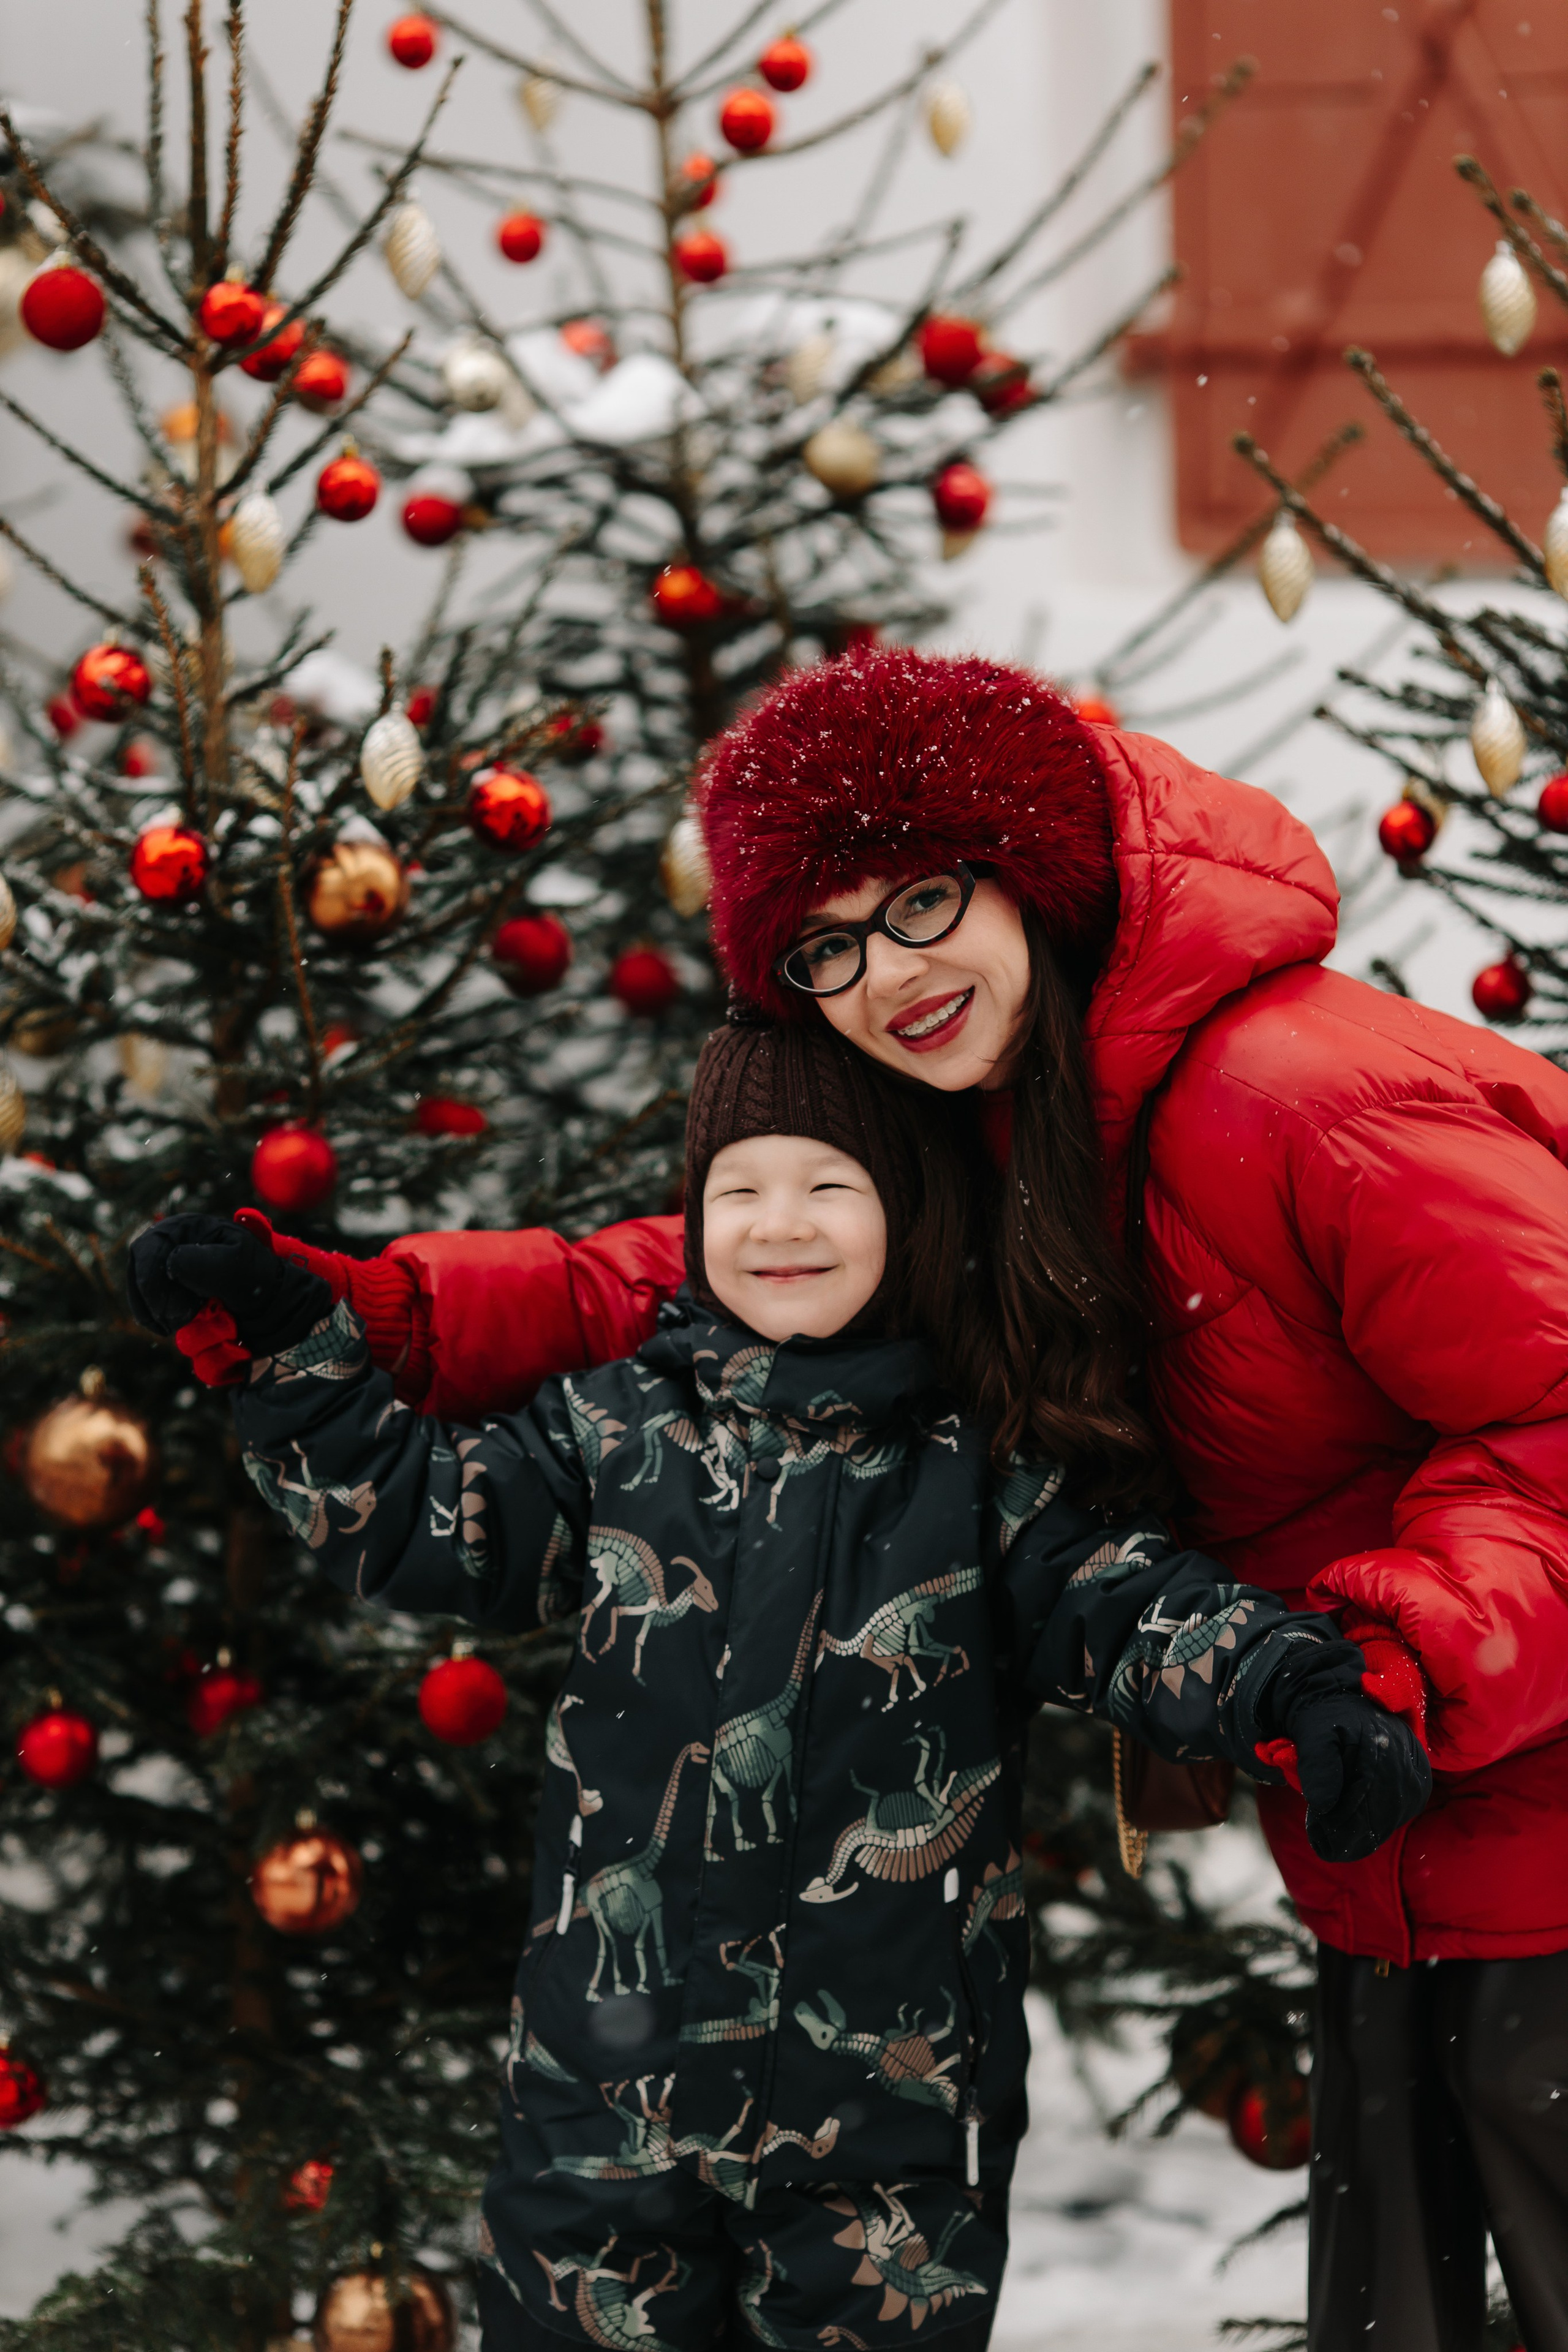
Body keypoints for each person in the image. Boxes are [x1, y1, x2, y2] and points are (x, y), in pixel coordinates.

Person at [177, 646, 1568, 2352]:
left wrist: (1404, 1655)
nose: (882, 973)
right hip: (1401, 1821)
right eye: (824, 946)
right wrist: (372, 1318)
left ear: (1029, 872)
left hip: (1508, 1788)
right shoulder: (1012, 1101)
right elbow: (699, 1285)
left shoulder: (1301, 1095)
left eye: (922, 899)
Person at [129, 1016, 1425, 2352]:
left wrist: (1291, 1689)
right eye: (737, 1189)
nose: (776, 1224)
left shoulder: (977, 1478)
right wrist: (292, 1345)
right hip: (601, 2106)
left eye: (828, 1186)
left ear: (907, 1214)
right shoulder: (609, 1434)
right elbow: (415, 1518)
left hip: (886, 2130)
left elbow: (1134, 1605)